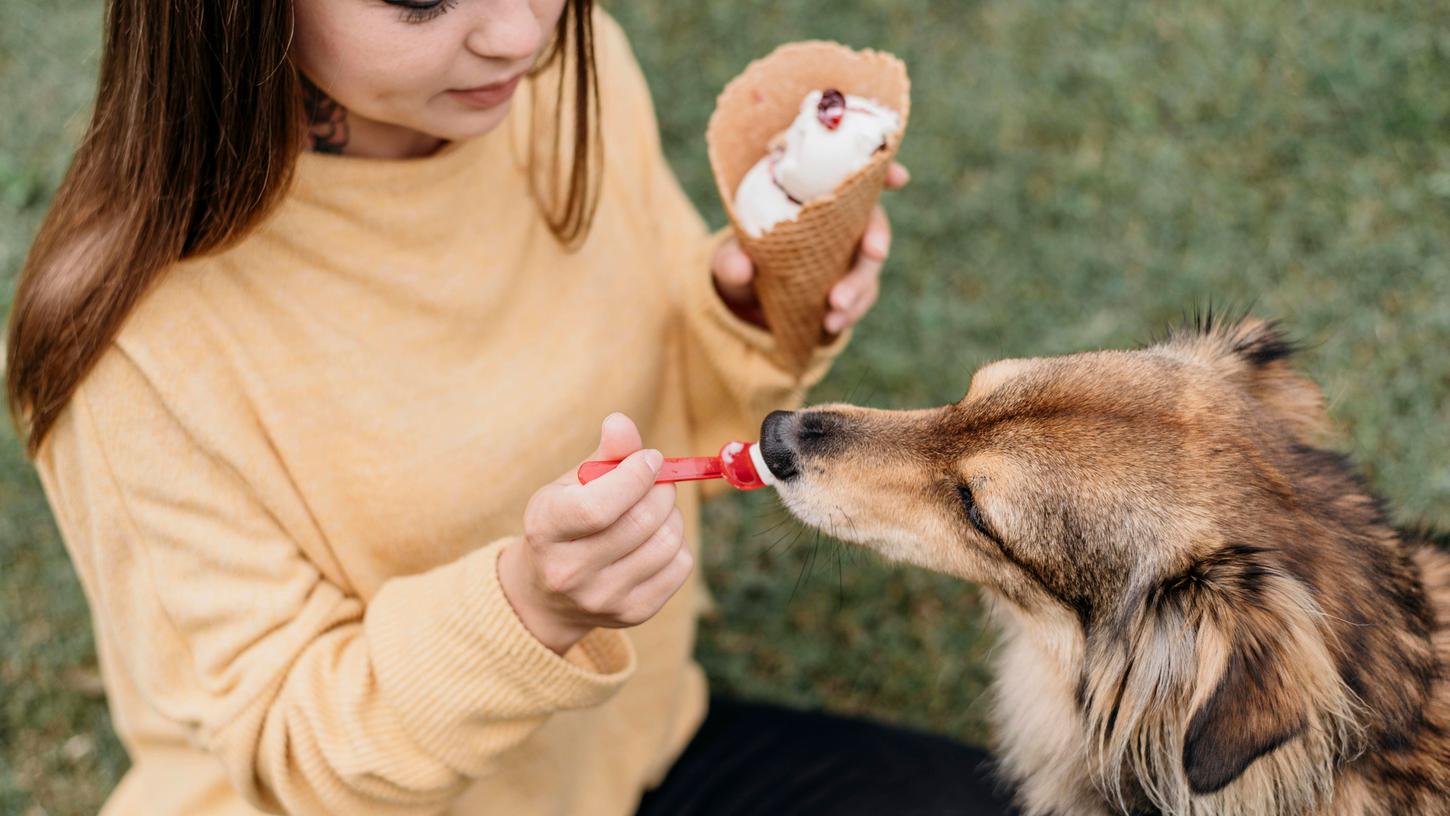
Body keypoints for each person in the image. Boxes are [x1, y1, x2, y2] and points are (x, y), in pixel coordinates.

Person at [5, 1, 1014, 813]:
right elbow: (291, 749)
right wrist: (529, 611)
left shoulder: (560, 79)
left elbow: (671, 403)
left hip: (633, 762)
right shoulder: (134, 345)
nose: (517, 32)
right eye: (419, 1)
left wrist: (743, 306)